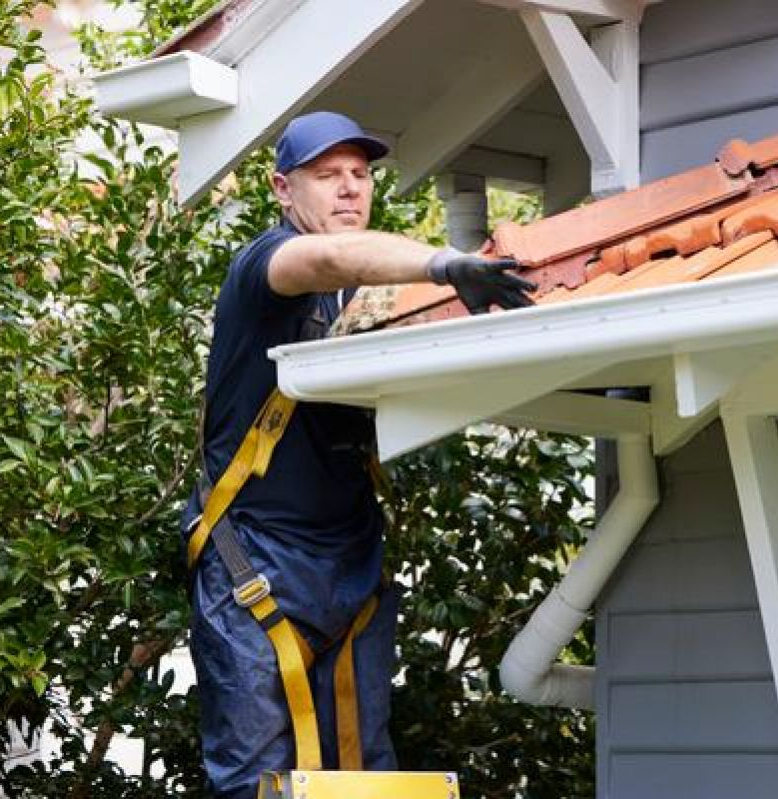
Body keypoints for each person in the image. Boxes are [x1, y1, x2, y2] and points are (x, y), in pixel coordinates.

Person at [181, 111, 536, 799]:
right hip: (255, 561)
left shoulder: (369, 302)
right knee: (256, 783)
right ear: (284, 190)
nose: (349, 189)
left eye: (359, 173)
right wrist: (442, 263)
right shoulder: (268, 264)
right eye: (326, 175)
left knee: (365, 777)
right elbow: (325, 259)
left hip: (351, 565)